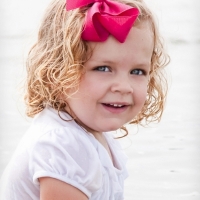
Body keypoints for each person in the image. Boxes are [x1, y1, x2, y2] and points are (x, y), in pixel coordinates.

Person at [0, 0, 169, 199]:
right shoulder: (63, 145)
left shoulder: (89, 135)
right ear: (58, 71)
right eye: (103, 68)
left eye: (138, 71)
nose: (124, 86)